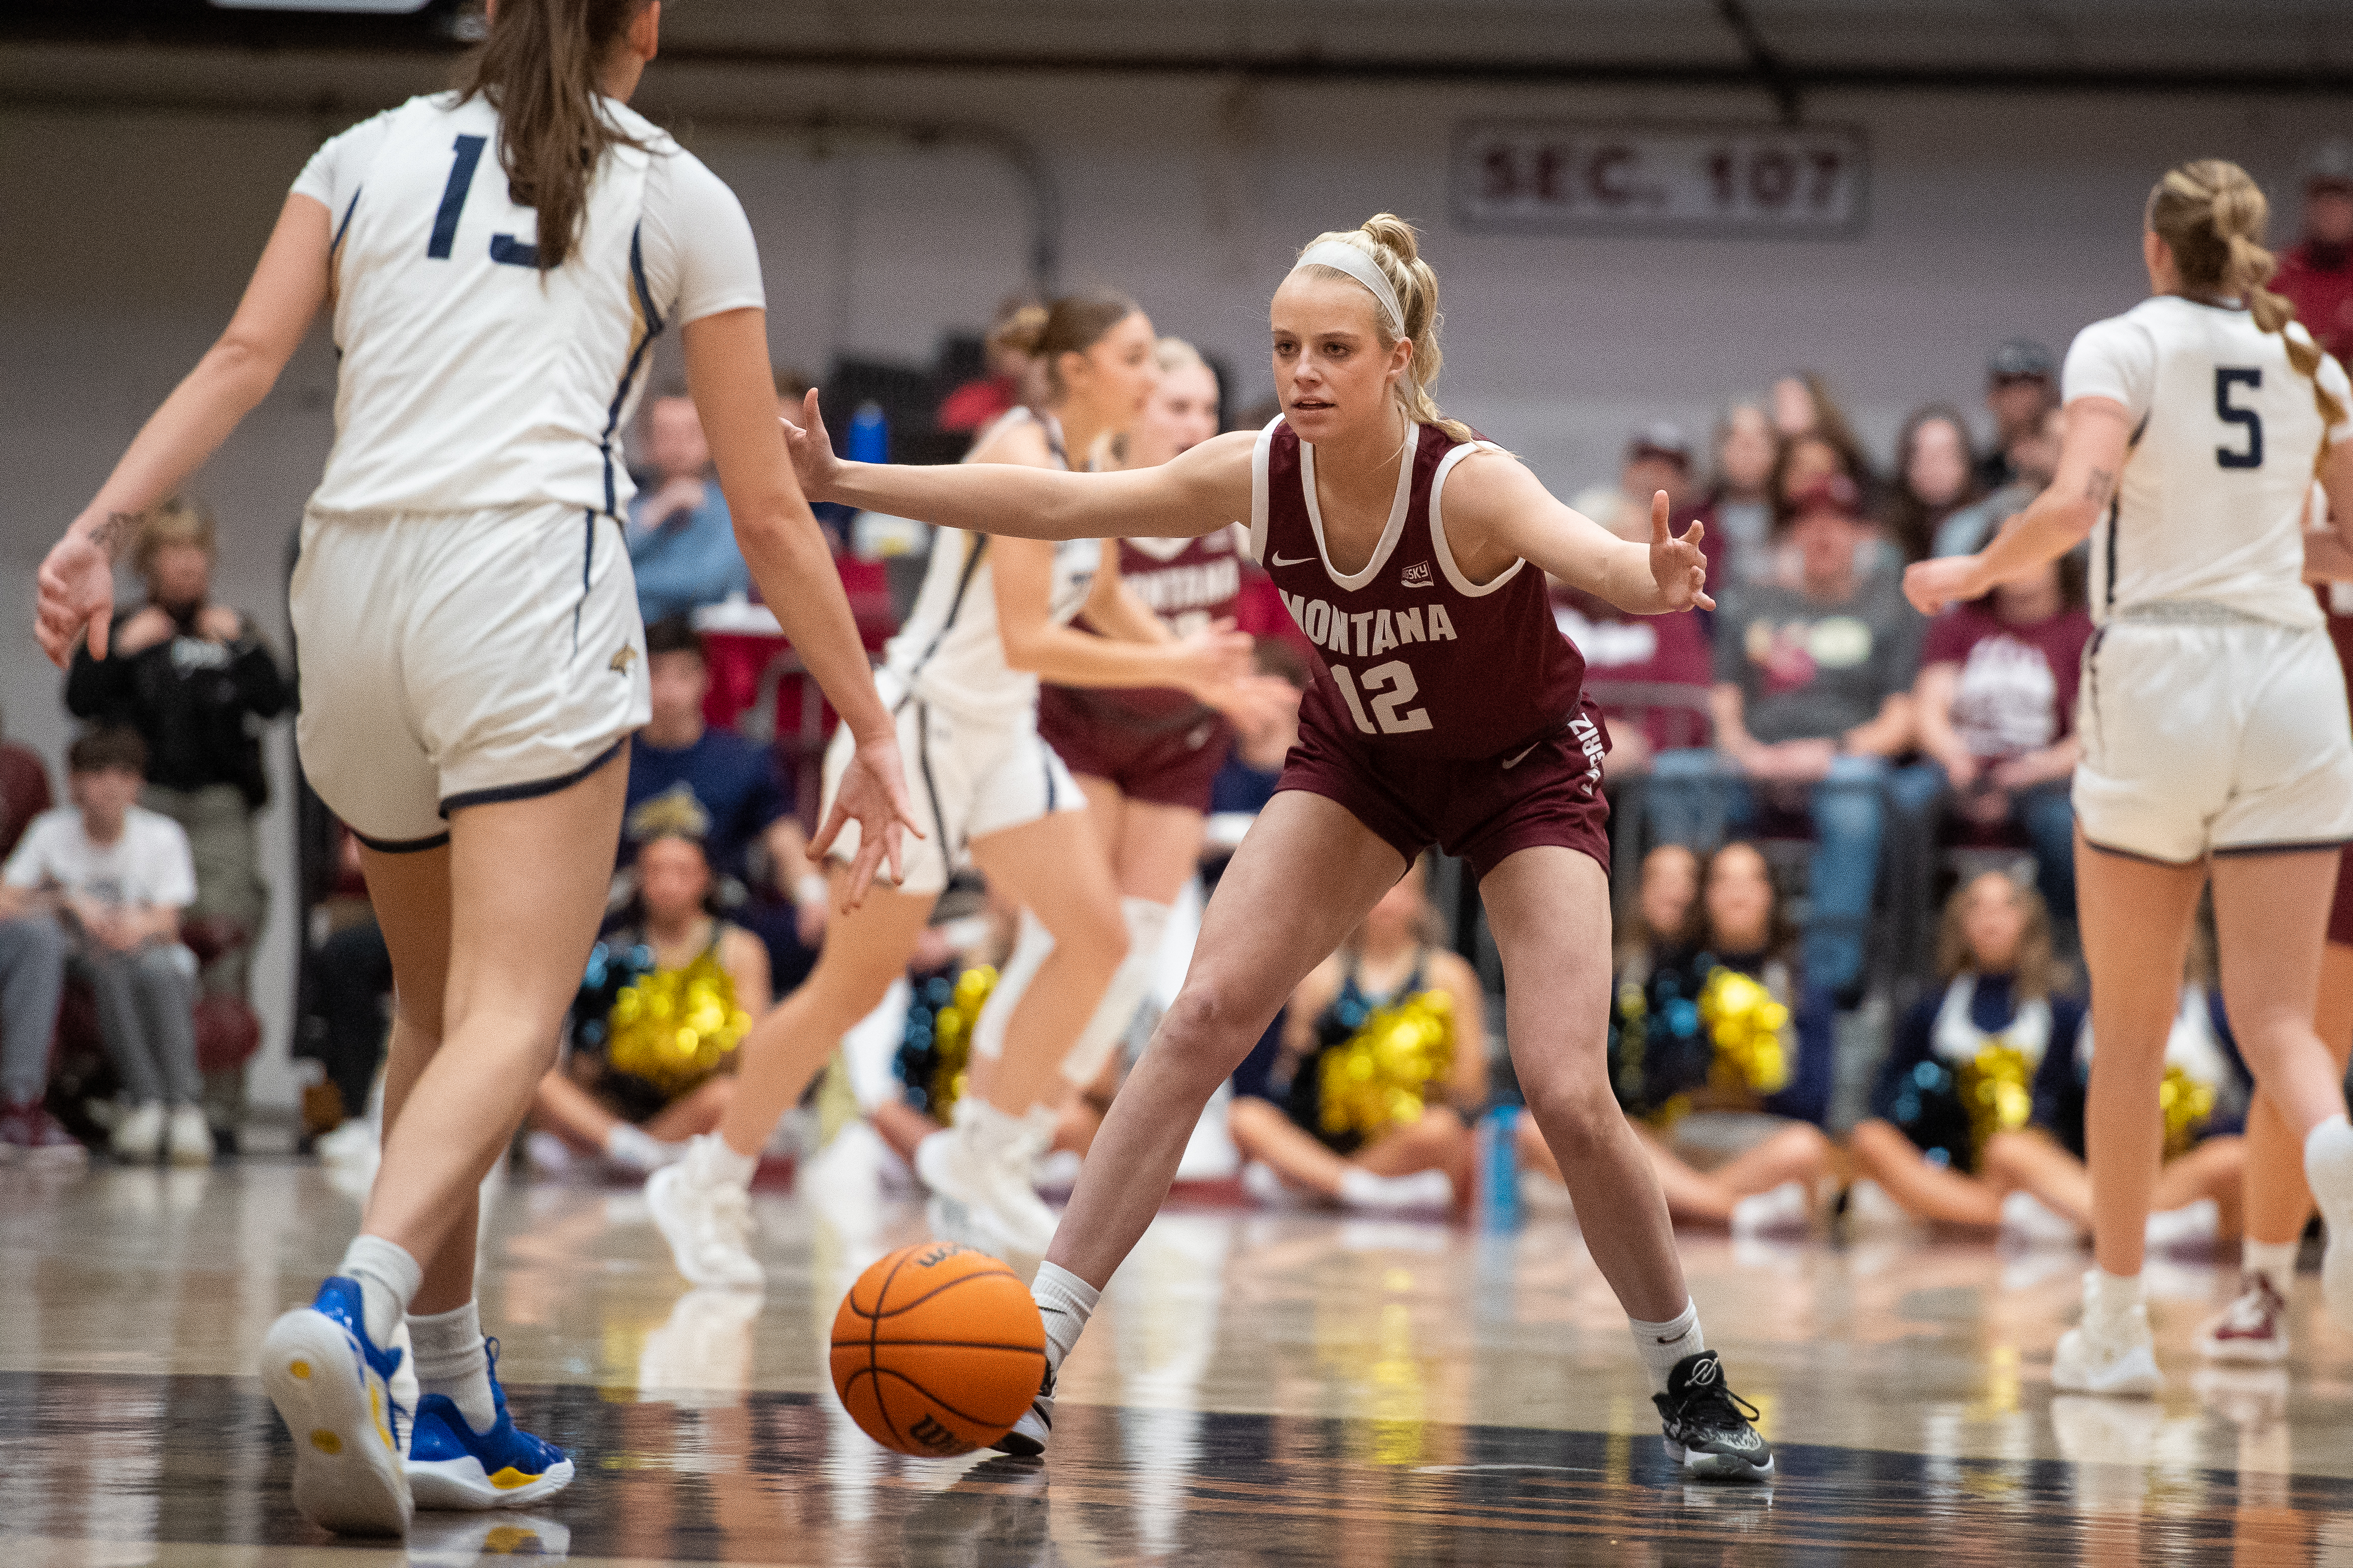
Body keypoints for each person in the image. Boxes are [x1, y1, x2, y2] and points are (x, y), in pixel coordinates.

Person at [33, 0, 917, 1536]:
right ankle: (362, 1308)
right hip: (520, 580)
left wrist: (97, 525)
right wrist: (872, 719)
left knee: (438, 1012)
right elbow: (769, 511)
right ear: (647, 20)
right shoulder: (680, 192)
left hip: (349, 583)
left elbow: (246, 356)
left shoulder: (359, 151)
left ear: (488, 10)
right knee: (517, 1008)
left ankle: (447, 1389)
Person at [781, 212, 1776, 1478]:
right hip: (1360, 758)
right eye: (1288, 346)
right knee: (1199, 1013)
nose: (1303, 372)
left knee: (1568, 1087)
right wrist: (854, 483)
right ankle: (1031, 1355)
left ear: (1399, 359)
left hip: (1520, 774)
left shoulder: (1470, 483)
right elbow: (1055, 498)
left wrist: (1655, 577)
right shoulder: (1256, 469)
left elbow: (1596, 561)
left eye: (1335, 350)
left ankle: (1685, 1373)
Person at [648, 291, 1254, 1285]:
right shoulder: (1015, 456)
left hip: (1000, 735)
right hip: (917, 734)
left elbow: (1098, 594)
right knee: (852, 987)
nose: (1153, 379)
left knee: (1101, 937)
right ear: (1075, 369)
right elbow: (1028, 636)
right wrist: (1183, 669)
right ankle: (709, 1177)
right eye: (1137, 358)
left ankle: (981, 1142)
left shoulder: (1096, 458)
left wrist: (1185, 654)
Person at [1905, 159, 2353, 1398]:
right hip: (2293, 672)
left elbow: (2073, 498)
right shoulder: (2313, 362)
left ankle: (2112, 1326)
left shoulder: (2122, 342)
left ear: (2157, 250)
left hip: (2161, 672)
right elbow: (2348, 543)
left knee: (2134, 1022)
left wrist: (1973, 569)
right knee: (2277, 1018)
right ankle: (2337, 1149)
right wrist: (2251, 537)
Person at [1032, 337, 1293, 1096]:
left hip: (1179, 740)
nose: (1195, 423)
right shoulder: (1091, 490)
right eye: (1177, 406)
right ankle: (1019, 1108)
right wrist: (1201, 673)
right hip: (1083, 728)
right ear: (1138, 408)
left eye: (1207, 408)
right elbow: (1092, 605)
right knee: (1082, 935)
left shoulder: (1229, 498)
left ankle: (1056, 1109)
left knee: (1139, 944)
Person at [1648, 471, 1925, 998]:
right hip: (1752, 762)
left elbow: (1899, 721)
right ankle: (1687, 951)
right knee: (1672, 775)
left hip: (1839, 763)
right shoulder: (1751, 602)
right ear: (1791, 536)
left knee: (1854, 794)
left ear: (1863, 535)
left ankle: (1826, 980)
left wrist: (1827, 753)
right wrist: (1746, 751)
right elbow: (1723, 700)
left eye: (1838, 523)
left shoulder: (1889, 608)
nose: (1822, 535)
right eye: (1809, 522)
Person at [65, 495, 289, 1139]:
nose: (188, 566)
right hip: (143, 805)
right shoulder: (125, 626)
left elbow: (279, 701)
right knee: (132, 942)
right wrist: (120, 652)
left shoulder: (234, 628)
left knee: (221, 941)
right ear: (150, 562)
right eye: (174, 554)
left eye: (198, 554)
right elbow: (79, 699)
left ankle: (216, 1109)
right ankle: (134, 1096)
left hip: (219, 807)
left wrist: (244, 647)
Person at [1548, 841, 1831, 1232]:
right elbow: (1639, 1086)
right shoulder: (1670, 976)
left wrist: (1753, 1073)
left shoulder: (1802, 987)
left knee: (1806, 1147)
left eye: (1753, 881)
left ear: (1771, 896)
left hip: (1756, 1143)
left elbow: (1815, 1103)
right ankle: (1730, 1212)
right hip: (1676, 1140)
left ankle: (1672, 1204)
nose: (1738, 893)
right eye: (1723, 881)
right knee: (1609, 1129)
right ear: (1705, 897)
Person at [1229, 855, 1487, 1212]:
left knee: (1439, 1129)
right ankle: (1360, 1190)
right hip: (1328, 1136)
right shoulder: (1321, 976)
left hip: (1401, 1140)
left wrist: (1410, 1071)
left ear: (1421, 898)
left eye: (1401, 889)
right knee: (1245, 1116)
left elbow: (1473, 1088)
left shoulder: (1450, 975)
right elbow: (1286, 1081)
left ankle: (1318, 1185)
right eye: (1378, 891)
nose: (1388, 903)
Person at [1, 728, 206, 1165]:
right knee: (110, 967)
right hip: (79, 958)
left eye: (124, 773)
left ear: (139, 783)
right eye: (96, 772)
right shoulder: (51, 831)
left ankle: (181, 1105)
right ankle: (149, 1101)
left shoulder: (162, 835)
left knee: (156, 968)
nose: (110, 784)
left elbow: (170, 921)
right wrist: (66, 898)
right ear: (74, 781)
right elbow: (6, 897)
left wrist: (136, 925)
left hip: (147, 951)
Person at [1846, 871, 2090, 1236]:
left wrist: (2043, 1139)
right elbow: (1889, 1095)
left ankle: (1961, 1216)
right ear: (1961, 922)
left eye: (2006, 907)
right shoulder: (1929, 1010)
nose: (1991, 919)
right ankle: (2007, 1220)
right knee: (1869, 1138)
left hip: (2027, 1161)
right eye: (1978, 907)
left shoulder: (2065, 1012)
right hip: (1947, 1169)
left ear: (2029, 920)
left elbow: (2082, 1105)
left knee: (2006, 1149)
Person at [528, 831, 767, 1175]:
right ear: (640, 879)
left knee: (728, 1096)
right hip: (617, 1116)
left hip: (694, 1107)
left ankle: (644, 1155)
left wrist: (682, 1052)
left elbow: (753, 1051)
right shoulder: (613, 953)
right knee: (533, 1074)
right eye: (656, 871)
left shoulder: (740, 950)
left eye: (682, 871)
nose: (668, 884)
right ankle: (633, 1151)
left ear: (705, 878)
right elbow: (582, 1065)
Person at [625, 614, 824, 986]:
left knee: (812, 931)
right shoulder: (611, 763)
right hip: (628, 914)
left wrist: (813, 894)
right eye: (656, 674)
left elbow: (784, 838)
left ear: (706, 679)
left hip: (723, 914)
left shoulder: (742, 760)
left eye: (682, 675)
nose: (668, 691)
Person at [1912, 555, 2093, 926]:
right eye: (2009, 545)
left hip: (2045, 776)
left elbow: (2090, 734)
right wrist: (1953, 755)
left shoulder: (2079, 630)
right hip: (1959, 766)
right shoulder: (1961, 622)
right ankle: (1906, 954)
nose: (2021, 562)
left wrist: (2034, 770)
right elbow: (1929, 709)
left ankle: (2062, 955)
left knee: (2066, 826)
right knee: (1905, 805)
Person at [626, 391, 753, 622]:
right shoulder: (628, 507)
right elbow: (599, 572)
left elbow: (709, 584)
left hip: (703, 644)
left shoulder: (735, 510)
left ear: (710, 440)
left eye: (690, 434)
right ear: (647, 444)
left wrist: (636, 586)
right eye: (666, 434)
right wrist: (657, 511)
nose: (677, 446)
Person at [1934, 404, 2063, 561]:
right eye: (2059, 446)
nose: (2074, 458)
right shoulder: (1973, 524)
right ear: (2024, 448)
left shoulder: (2087, 511)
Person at [2272, 141, 2353, 366]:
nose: (2330, 207)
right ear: (2307, 204)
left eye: (2340, 196)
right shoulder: (2278, 273)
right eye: (2321, 195)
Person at [1694, 397, 1779, 587]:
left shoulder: (1797, 521)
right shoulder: (1690, 522)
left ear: (1776, 449)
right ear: (1719, 449)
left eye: (1759, 437)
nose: (1747, 448)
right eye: (1736, 437)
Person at [1886, 405, 1982, 565]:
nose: (1932, 467)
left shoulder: (1988, 523)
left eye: (1943, 455)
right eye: (1921, 456)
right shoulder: (1891, 534)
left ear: (1966, 461)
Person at [1975, 339, 2061, 493]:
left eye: (2032, 380)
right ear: (1992, 397)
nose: (2019, 391)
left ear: (2054, 395)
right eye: (2007, 381)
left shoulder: (2073, 454)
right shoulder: (1978, 474)